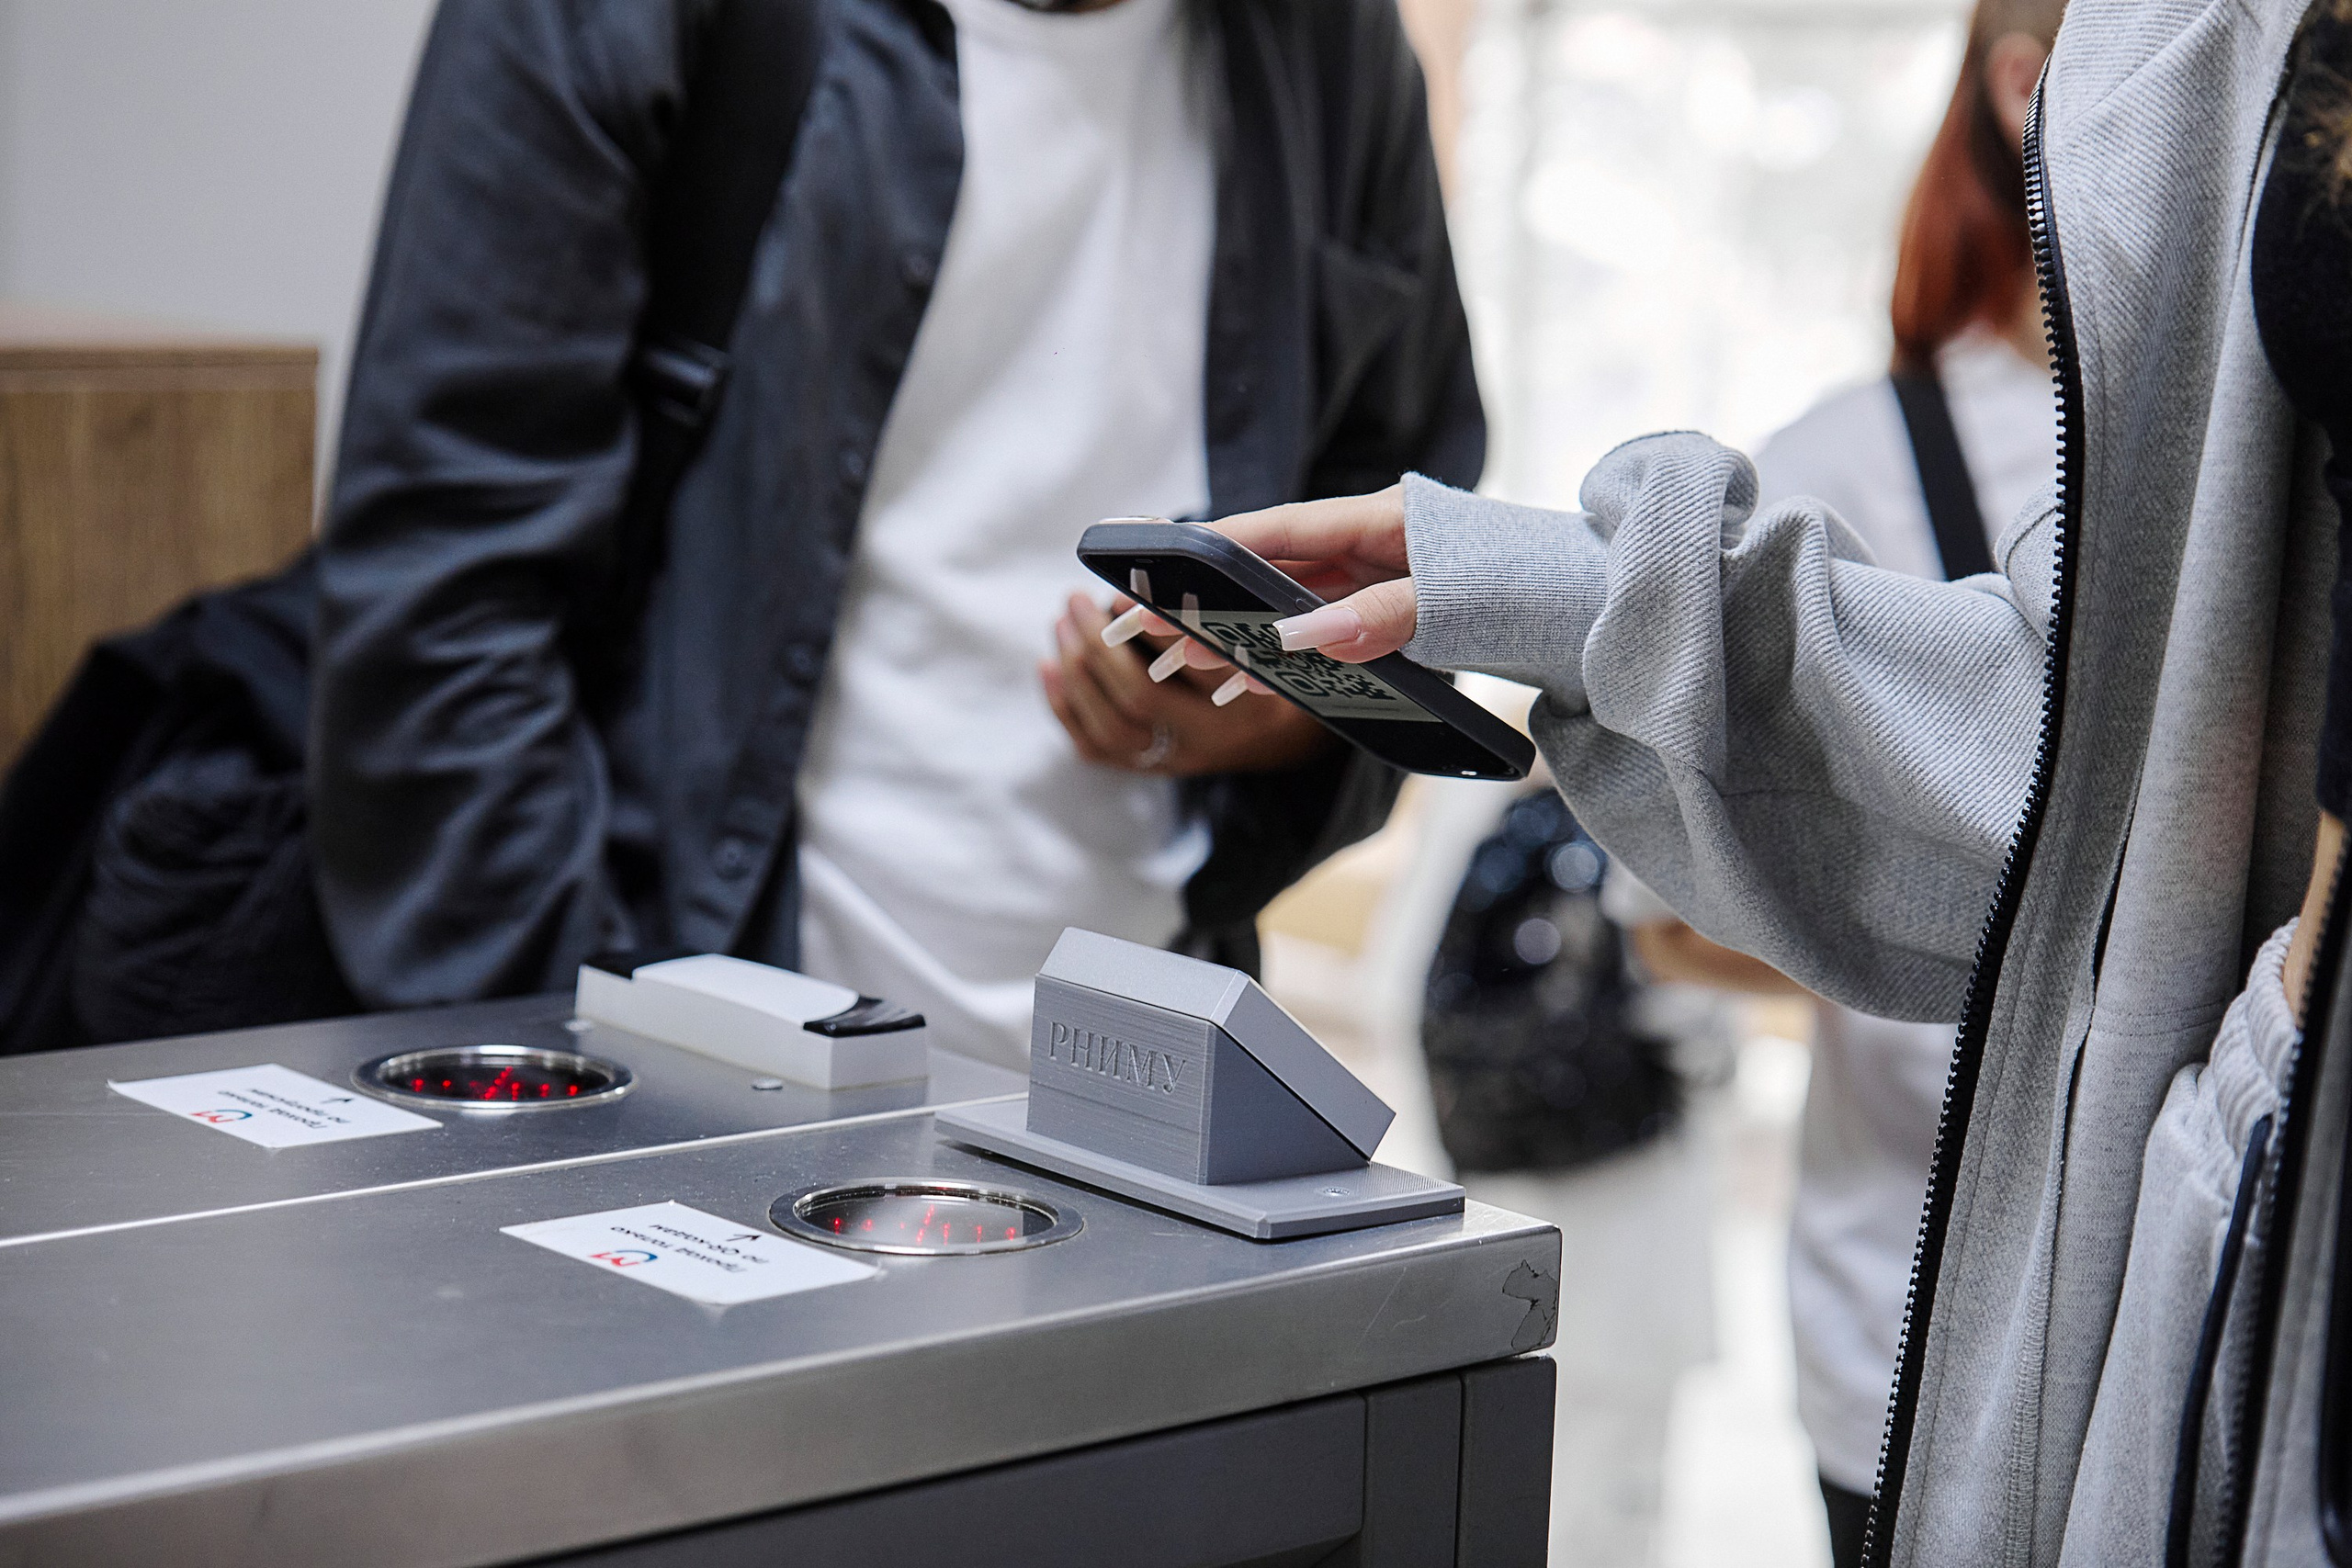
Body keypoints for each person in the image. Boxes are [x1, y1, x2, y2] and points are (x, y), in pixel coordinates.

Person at [1160, 0, 2343, 1558]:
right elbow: (2086, 763)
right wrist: (1568, 598)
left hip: (2190, 1213)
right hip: (1998, 1250)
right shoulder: (1901, 434)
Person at [311, 0, 1481, 1066]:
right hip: (686, 1076)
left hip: (1143, 1108)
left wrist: (1280, 719)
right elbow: (442, 594)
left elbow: (1403, 557)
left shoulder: (1333, 50)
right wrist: (580, 1092)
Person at [1605, 4, 2060, 1561]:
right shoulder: (1846, 466)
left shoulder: (2254, 474)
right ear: (2030, 87)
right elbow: (1669, 912)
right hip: (1911, 1330)